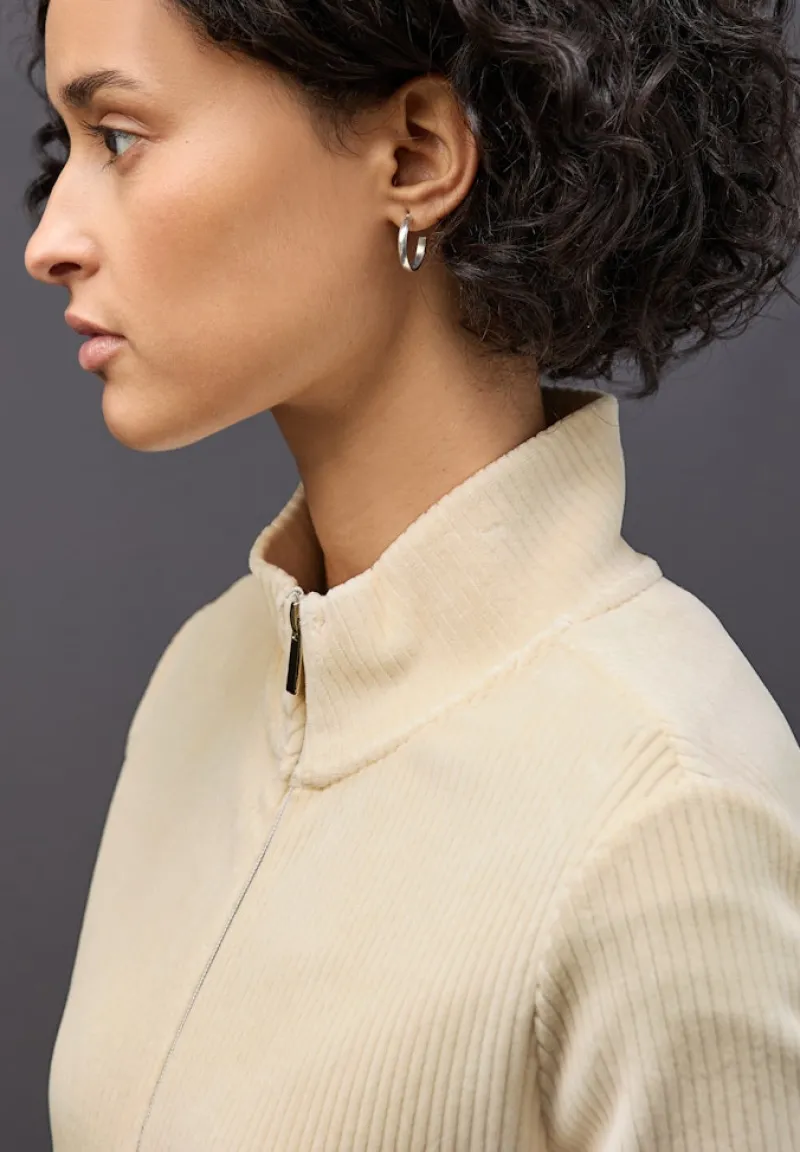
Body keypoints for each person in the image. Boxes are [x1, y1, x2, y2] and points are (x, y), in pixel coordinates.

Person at [22, 0, 800, 1148]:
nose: (48, 239)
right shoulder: (205, 680)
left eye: (120, 137)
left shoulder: (663, 813)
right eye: (66, 144)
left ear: (414, 156)